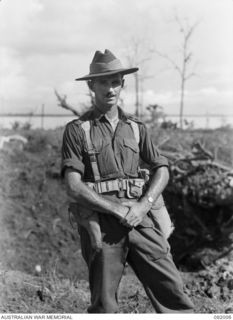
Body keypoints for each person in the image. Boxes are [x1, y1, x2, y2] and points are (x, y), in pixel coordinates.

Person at [61, 49, 194, 313]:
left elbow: (162, 168)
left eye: (115, 82)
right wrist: (116, 209)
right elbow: (73, 186)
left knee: (173, 293)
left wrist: (144, 205)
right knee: (105, 305)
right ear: (91, 85)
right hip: (103, 221)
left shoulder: (136, 127)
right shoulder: (77, 130)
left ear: (122, 84)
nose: (110, 89)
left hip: (140, 218)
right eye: (103, 82)